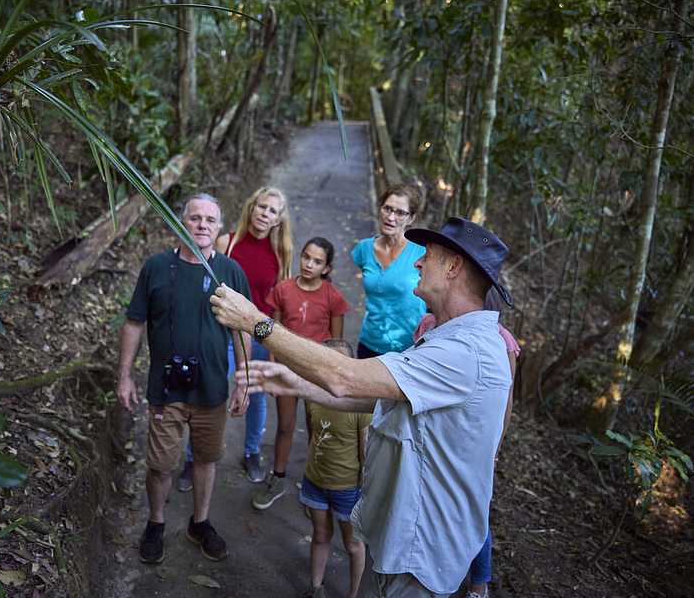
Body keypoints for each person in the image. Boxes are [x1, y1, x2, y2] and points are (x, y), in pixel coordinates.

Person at [210, 217, 515, 597]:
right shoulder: (446, 336)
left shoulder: (463, 353)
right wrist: (298, 382)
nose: (418, 263)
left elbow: (346, 376)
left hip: (422, 554)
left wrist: (255, 321)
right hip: (400, 539)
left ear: (453, 267)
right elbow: (381, 393)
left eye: (428, 257)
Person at [116, 193, 252, 565]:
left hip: (212, 390)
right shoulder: (157, 268)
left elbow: (243, 330)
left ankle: (200, 522)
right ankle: (156, 523)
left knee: (206, 460)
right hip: (166, 388)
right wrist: (124, 376)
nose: (202, 225)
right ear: (180, 223)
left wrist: (243, 380)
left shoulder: (230, 272)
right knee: (161, 464)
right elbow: (133, 323)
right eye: (195, 218)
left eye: (210, 220)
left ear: (220, 228)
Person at [179, 186, 294, 489]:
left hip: (256, 333)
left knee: (254, 394)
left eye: (272, 210)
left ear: (278, 219)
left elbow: (279, 300)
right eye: (261, 206)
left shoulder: (281, 253)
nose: (264, 214)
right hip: (221, 330)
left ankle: (251, 451)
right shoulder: (226, 242)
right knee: (210, 391)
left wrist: (275, 345)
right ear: (251, 207)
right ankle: (193, 458)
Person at [412, 291, 520, 598]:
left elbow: (505, 401)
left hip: (474, 442)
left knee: (474, 512)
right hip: (436, 438)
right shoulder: (428, 325)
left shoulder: (501, 342)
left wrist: (495, 449)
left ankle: (478, 583)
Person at [251, 237, 349, 510]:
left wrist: (330, 376)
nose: (309, 264)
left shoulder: (332, 297)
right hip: (286, 368)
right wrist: (273, 366)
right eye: (306, 257)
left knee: (318, 428)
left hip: (316, 372)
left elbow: (337, 345)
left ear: (326, 268)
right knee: (285, 425)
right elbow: (274, 331)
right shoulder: (283, 290)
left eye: (317, 261)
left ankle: (315, 488)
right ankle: (278, 477)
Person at [300, 338, 369, 598]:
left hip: (347, 488)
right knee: (320, 535)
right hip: (315, 481)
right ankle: (316, 587)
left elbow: (365, 453)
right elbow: (312, 435)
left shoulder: (361, 405)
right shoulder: (313, 396)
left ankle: (352, 594)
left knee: (352, 544)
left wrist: (364, 491)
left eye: (340, 362)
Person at [352, 183, 426, 359]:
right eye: (387, 209)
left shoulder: (422, 253)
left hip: (408, 348)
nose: (391, 217)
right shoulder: (363, 249)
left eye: (400, 213)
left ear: (411, 218)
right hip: (369, 342)